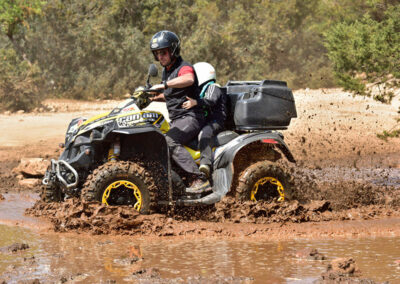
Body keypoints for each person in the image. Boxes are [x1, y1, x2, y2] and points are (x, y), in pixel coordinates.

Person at [149, 30, 210, 193]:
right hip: (177, 119)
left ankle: (199, 179)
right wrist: (154, 98)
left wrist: (165, 85)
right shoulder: (166, 71)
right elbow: (171, 96)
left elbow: (188, 79)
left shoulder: (184, 67)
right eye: (157, 53)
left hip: (191, 117)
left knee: (169, 141)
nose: (160, 57)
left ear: (173, 50)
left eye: (163, 52)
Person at [182, 62, 226, 178]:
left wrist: (195, 102)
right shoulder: (200, 90)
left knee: (204, 134)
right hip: (205, 120)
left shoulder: (213, 87)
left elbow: (210, 100)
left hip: (215, 122)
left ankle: (205, 163)